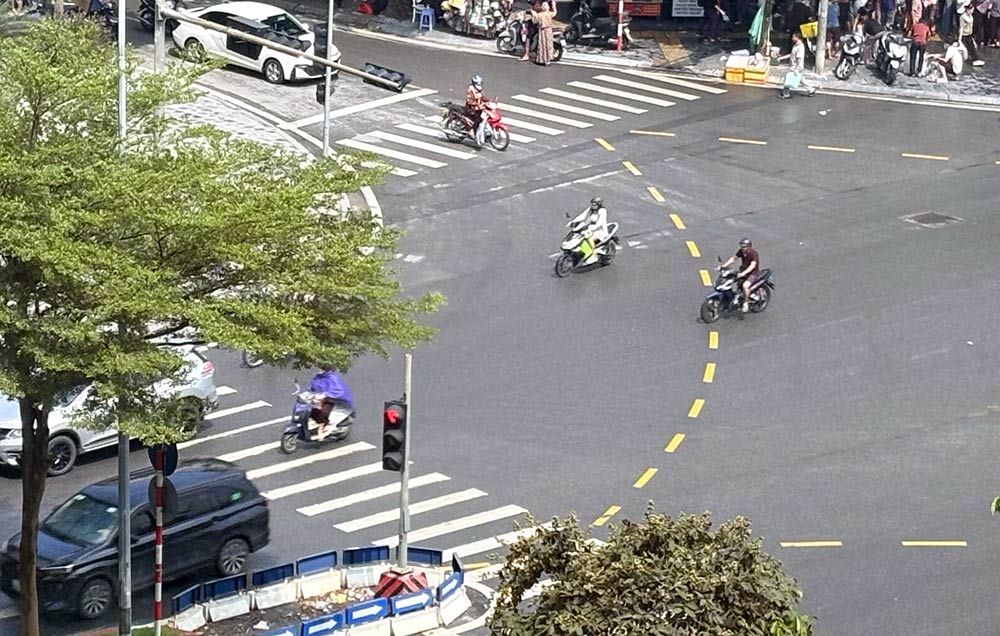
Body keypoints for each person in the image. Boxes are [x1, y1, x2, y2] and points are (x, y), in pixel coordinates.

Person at [306, 369, 354, 440]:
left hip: (337, 402)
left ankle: (323, 430)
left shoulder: (332, 378)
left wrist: (326, 395)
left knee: (323, 412)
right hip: (324, 400)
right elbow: (312, 386)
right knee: (312, 410)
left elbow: (339, 391)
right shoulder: (319, 377)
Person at [718, 238, 760, 313]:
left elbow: (752, 266)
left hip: (753, 274)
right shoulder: (741, 251)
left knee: (745, 286)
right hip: (743, 271)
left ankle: (746, 302)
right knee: (730, 279)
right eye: (741, 246)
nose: (742, 248)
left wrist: (743, 273)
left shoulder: (754, 254)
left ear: (749, 247)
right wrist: (723, 266)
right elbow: (734, 258)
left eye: (744, 247)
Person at [778, 32, 817, 97]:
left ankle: (786, 93)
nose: (792, 38)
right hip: (794, 66)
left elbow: (799, 58)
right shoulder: (795, 45)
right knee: (800, 79)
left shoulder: (800, 47)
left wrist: (796, 69)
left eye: (793, 37)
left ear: (797, 38)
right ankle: (811, 89)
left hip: (796, 66)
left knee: (787, 79)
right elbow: (791, 55)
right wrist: (781, 58)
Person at [578, 196, 609, 261]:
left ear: (599, 205)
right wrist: (573, 222)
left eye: (594, 204)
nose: (592, 205)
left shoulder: (602, 211)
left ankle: (593, 255)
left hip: (600, 231)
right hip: (591, 230)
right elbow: (582, 216)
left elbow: (600, 223)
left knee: (590, 239)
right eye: (592, 204)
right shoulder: (591, 210)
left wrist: (591, 228)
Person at [465, 74, 488, 146]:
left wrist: (488, 101)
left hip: (478, 108)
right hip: (471, 109)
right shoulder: (470, 89)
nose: (479, 85)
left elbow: (483, 97)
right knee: (478, 119)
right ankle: (471, 131)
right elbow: (469, 101)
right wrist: (477, 105)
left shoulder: (479, 90)